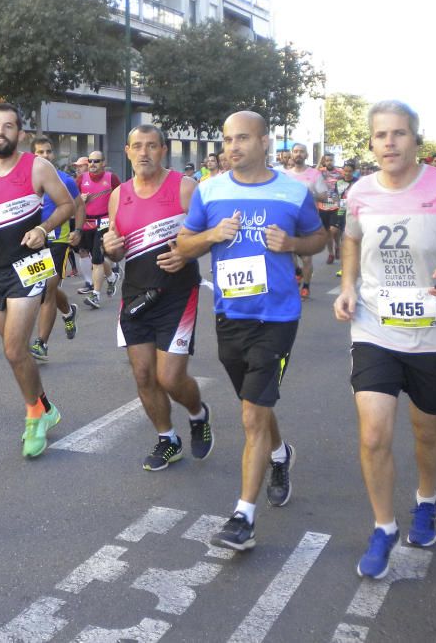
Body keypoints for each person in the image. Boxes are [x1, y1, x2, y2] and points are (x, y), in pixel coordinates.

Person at [333, 100, 436, 579]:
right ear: (371, 143)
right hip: (374, 326)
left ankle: (426, 499)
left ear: (415, 140)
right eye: (382, 135)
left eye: (400, 134)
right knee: (373, 432)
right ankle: (383, 527)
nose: (390, 142)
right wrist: (348, 285)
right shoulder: (360, 192)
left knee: (427, 429)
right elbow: (351, 238)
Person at [177, 111, 326, 551]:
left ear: (265, 141)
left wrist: (294, 245)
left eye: (242, 138)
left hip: (277, 317)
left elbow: (319, 240)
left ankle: (243, 517)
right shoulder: (209, 190)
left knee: (250, 415)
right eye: (227, 139)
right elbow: (184, 245)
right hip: (231, 315)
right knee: (253, 405)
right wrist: (210, 236)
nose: (232, 147)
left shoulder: (294, 192)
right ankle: (280, 455)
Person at [0, 103, 73, 458]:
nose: (1, 132)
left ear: (20, 133)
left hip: (27, 267)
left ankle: (33, 418)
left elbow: (66, 205)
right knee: (18, 355)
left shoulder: (37, 167)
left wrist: (44, 228)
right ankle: (45, 406)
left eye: (8, 126)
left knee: (14, 349)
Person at [102, 125, 213, 471]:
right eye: (138, 146)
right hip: (135, 296)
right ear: (128, 150)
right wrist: (109, 249)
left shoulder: (184, 187)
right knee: (144, 376)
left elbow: (209, 235)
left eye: (152, 146)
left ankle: (198, 413)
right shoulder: (119, 195)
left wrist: (186, 254)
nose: (144, 152)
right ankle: (168, 439)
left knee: (170, 377)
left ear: (164, 150)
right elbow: (114, 247)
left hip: (177, 296)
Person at [29, 136, 85, 361]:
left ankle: (41, 344)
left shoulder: (65, 180)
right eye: (40, 152)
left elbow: (79, 205)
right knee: (42, 290)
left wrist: (78, 231)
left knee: (47, 291)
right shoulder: (26, 181)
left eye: (48, 152)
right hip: (32, 241)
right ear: (33, 155)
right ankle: (68, 311)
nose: (45, 156)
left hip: (58, 240)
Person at [77, 150, 121, 309]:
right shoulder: (82, 179)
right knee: (95, 257)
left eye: (96, 161)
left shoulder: (111, 178)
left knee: (96, 258)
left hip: (104, 222)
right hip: (86, 222)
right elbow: (72, 200)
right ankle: (111, 277)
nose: (92, 164)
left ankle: (95, 295)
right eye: (90, 161)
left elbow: (120, 199)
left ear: (103, 163)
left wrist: (115, 222)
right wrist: (80, 201)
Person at [285, 143, 328, 299]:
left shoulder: (315, 174)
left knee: (306, 257)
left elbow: (324, 195)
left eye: (301, 152)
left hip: (307, 220)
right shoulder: (285, 175)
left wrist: (310, 194)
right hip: (289, 219)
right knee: (289, 252)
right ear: (291, 154)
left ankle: (306, 286)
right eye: (295, 151)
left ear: (306, 155)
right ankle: (297, 272)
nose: (298, 154)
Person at [317, 153, 343, 265]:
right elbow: (312, 173)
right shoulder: (321, 171)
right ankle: (331, 253)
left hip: (336, 206)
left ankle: (337, 245)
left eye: (331, 160)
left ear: (334, 160)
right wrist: (319, 161)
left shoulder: (340, 173)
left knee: (334, 230)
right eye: (327, 160)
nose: (329, 162)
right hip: (323, 206)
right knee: (327, 232)